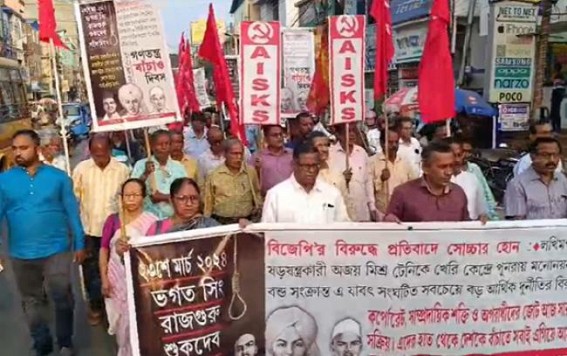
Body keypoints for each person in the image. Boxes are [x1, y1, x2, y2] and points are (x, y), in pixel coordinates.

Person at [0, 130, 85, 356]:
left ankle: (65, 341)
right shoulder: (3, 181)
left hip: (57, 249)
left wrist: (79, 243)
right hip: (21, 254)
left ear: (36, 147)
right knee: (31, 303)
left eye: (23, 147)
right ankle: (42, 343)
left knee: (63, 297)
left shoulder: (59, 178)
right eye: (15, 148)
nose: (18, 152)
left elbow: (72, 213)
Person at [72, 134, 131, 325]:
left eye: (103, 153)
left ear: (110, 151)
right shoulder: (81, 169)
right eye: (95, 154)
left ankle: (117, 306)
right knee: (92, 271)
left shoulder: (122, 170)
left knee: (115, 269)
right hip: (90, 230)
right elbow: (75, 199)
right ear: (90, 151)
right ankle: (96, 306)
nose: (99, 157)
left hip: (115, 232)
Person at [99, 179, 157, 356]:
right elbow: (104, 249)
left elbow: (156, 252)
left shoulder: (152, 221)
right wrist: (104, 279)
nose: (131, 199)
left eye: (135, 195)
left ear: (144, 197)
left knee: (143, 322)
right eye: (127, 195)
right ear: (121, 198)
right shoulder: (113, 220)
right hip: (118, 281)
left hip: (144, 282)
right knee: (123, 325)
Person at [262, 141, 350, 223]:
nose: (311, 170)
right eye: (306, 166)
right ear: (294, 165)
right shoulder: (276, 195)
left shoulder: (332, 194)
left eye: (315, 166)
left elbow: (343, 228)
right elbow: (267, 233)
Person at [386, 141, 469, 222]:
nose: (449, 172)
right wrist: (390, 222)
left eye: (451, 166)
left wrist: (480, 223)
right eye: (442, 167)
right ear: (425, 167)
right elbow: (389, 229)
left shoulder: (459, 193)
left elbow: (467, 229)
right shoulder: (403, 193)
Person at [505, 137, 567, 220]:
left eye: (555, 155)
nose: (552, 160)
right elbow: (516, 223)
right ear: (533, 156)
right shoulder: (517, 184)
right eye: (546, 155)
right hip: (532, 232)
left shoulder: (562, 180)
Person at [131, 130, 187, 219]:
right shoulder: (141, 164)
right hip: (148, 218)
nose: (164, 147)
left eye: (167, 144)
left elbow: (185, 193)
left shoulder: (179, 167)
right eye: (160, 144)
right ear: (152, 147)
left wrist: (163, 197)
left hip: (174, 218)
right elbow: (132, 190)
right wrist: (145, 174)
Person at [204, 139, 261, 224]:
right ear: (225, 154)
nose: (238, 157)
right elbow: (208, 203)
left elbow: (257, 194)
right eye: (234, 154)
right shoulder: (214, 175)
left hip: (246, 222)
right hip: (221, 223)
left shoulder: (250, 172)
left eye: (240, 154)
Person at [328, 123, 376, 221]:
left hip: (362, 212)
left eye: (354, 131)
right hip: (341, 213)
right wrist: (342, 179)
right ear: (338, 134)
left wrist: (372, 206)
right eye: (348, 131)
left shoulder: (361, 152)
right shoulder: (330, 154)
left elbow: (368, 181)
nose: (352, 134)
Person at [368, 127, 416, 216]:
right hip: (381, 213)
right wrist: (381, 179)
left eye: (396, 142)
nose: (394, 145)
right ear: (382, 143)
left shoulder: (405, 162)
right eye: (390, 142)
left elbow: (413, 186)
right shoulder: (372, 162)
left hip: (403, 212)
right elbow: (368, 191)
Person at [147, 178, 220, 234]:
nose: (189, 203)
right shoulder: (157, 228)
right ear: (171, 200)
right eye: (182, 198)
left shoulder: (210, 226)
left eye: (194, 198)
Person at [309, 131, 354, 219]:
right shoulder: (307, 174)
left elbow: (346, 200)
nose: (325, 149)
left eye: (326, 145)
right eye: (320, 145)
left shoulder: (336, 170)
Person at [445, 137, 488, 222]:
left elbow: (482, 212)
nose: (457, 160)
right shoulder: (435, 180)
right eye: (453, 155)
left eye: (459, 155)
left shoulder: (472, 179)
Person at [460, 136, 499, 220]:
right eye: (463, 151)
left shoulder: (475, 168)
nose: (466, 155)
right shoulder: (451, 173)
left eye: (469, 152)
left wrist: (492, 212)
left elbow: (485, 190)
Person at [249, 125, 293, 196]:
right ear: (266, 138)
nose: (279, 138)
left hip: (290, 196)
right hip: (267, 198)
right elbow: (251, 180)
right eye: (275, 135)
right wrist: (257, 169)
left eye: (280, 134)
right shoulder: (257, 156)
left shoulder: (292, 154)